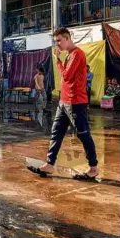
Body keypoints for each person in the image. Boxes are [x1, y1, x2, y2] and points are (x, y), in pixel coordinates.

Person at [28, 27, 99, 181]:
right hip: (64, 101)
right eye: (56, 41)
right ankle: (49, 164)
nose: (57, 44)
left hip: (75, 102)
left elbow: (66, 76)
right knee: (56, 132)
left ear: (68, 38)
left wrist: (57, 60)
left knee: (83, 134)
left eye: (59, 40)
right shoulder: (69, 56)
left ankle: (93, 168)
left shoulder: (77, 54)